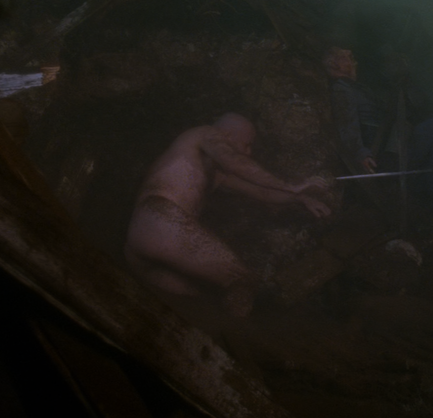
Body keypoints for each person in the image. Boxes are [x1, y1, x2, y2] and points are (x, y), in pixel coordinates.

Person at [124, 113, 329, 316]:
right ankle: (238, 330)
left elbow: (262, 192)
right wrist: (291, 185)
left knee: (196, 300)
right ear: (228, 136)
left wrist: (300, 198)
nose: (249, 152)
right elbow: (236, 162)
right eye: (247, 145)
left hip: (148, 238)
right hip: (159, 218)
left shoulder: (214, 171)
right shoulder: (204, 133)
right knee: (243, 280)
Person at [324, 45, 433, 201]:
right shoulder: (341, 89)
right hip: (385, 156)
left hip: (394, 146)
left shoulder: (359, 89)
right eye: (346, 57)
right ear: (335, 65)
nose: (353, 59)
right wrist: (361, 153)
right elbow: (346, 123)